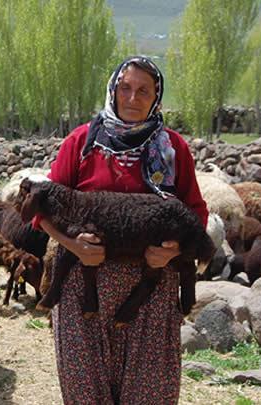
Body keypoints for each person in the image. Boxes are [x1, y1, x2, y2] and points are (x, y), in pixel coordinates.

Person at [35, 56, 208, 404]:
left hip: (153, 288)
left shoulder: (173, 148)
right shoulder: (81, 142)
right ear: (113, 90)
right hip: (83, 287)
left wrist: (173, 251)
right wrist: (73, 244)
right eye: (125, 88)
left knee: (148, 393)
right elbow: (44, 209)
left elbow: (196, 213)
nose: (133, 98)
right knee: (86, 392)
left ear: (156, 96)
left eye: (143, 90)